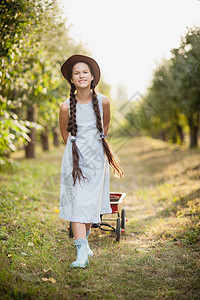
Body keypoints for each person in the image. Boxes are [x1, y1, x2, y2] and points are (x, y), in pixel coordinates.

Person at [59, 54, 123, 268]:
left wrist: (93, 147)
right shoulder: (65, 106)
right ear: (72, 79)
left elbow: (104, 128)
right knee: (77, 201)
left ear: (93, 76)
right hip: (74, 159)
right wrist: (79, 150)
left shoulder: (103, 101)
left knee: (88, 203)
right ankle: (81, 252)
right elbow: (65, 136)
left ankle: (84, 244)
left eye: (85, 72)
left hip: (96, 159)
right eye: (76, 73)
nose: (81, 75)